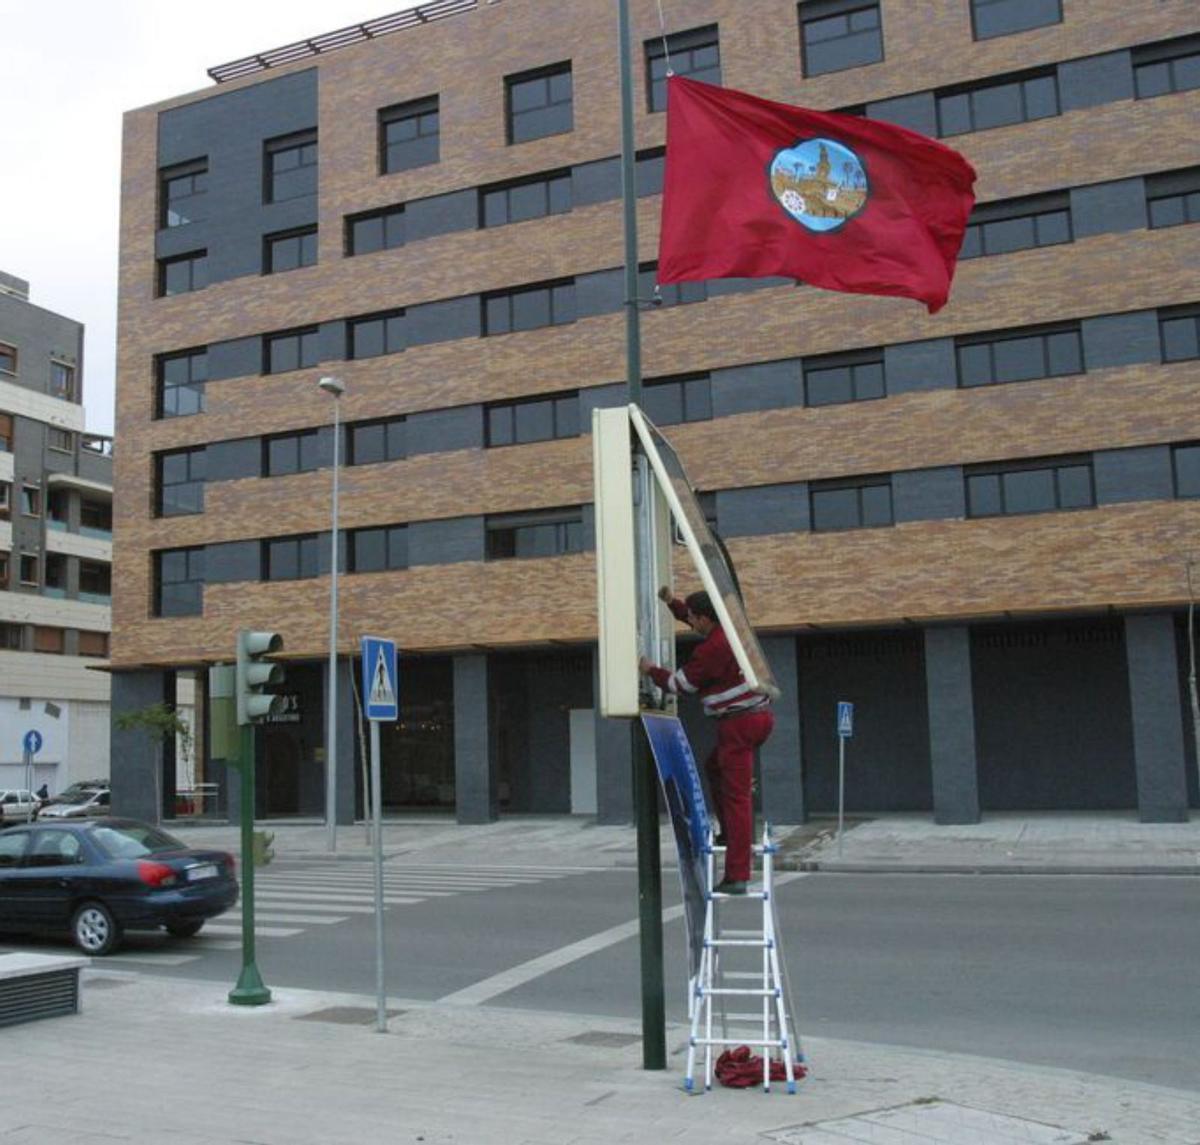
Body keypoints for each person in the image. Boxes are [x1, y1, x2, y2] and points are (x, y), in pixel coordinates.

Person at [639, 587, 773, 895]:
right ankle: (727, 834)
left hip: (739, 724)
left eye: (693, 619)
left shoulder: (713, 649)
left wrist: (650, 670)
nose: (691, 624)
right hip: (755, 717)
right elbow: (692, 615)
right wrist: (671, 602)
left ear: (705, 619)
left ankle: (737, 875)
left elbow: (679, 684)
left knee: (737, 797)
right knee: (715, 767)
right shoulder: (727, 630)